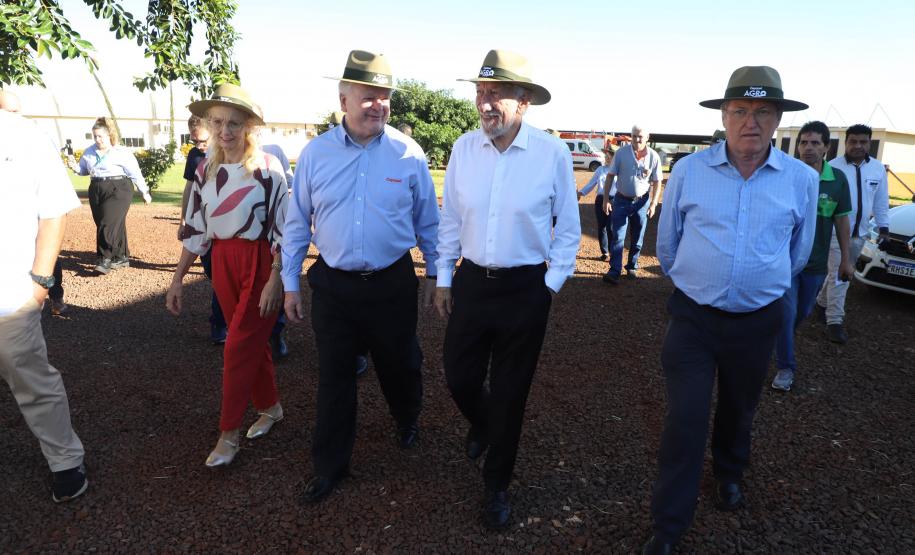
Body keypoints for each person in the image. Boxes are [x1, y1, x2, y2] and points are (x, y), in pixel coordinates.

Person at [644, 66, 818, 554]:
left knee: (740, 409)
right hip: (694, 320)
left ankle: (729, 472)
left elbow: (799, 254)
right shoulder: (689, 172)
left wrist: (758, 285)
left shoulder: (801, 180)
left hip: (758, 321)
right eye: (740, 110)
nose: (751, 122)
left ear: (778, 119)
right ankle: (668, 526)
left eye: (764, 112)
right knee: (686, 419)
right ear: (724, 115)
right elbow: (670, 247)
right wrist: (703, 284)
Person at [282, 50, 439, 503]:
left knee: (400, 362)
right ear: (343, 99)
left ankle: (406, 417)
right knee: (334, 377)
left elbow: (428, 221)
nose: (378, 105)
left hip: (392, 283)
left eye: (384, 97)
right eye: (368, 96)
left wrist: (435, 274)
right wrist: (290, 282)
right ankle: (330, 466)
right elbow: (297, 224)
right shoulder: (316, 154)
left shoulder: (408, 153)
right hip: (334, 285)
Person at [434, 49, 580, 529]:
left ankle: (496, 486)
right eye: (480, 92)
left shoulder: (552, 154)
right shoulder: (462, 149)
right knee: (458, 375)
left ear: (524, 103)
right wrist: (444, 277)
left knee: (512, 392)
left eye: (495, 93)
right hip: (474, 282)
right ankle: (483, 423)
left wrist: (549, 286)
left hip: (525, 289)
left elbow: (569, 230)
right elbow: (451, 218)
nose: (484, 102)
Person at [165, 83, 289, 467]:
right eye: (218, 122)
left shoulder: (269, 169)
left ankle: (228, 434)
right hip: (222, 261)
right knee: (253, 343)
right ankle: (270, 408)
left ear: (249, 127)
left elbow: (287, 229)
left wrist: (276, 278)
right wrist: (177, 278)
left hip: (259, 262)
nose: (225, 131)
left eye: (234, 123)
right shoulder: (206, 168)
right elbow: (198, 228)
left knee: (237, 344)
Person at [0, 95, 88, 502]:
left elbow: (53, 210)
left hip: (10, 292)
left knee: (30, 376)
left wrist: (40, 281)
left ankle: (65, 459)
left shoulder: (24, 133)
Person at [772, 121, 854, 391]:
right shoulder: (784, 176)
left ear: (827, 147)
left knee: (803, 311)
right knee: (787, 312)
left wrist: (845, 258)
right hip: (784, 260)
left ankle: (778, 337)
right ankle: (786, 367)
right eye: (804, 142)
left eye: (815, 143)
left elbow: (842, 222)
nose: (808, 148)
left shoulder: (837, 181)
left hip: (816, 263)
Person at [816, 124, 890, 344]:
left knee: (838, 272)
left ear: (869, 143)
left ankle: (821, 304)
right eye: (853, 141)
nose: (858, 146)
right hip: (835, 234)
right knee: (842, 276)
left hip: (861, 234)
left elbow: (880, 201)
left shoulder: (877, 169)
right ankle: (835, 321)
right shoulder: (832, 168)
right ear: (845, 143)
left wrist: (884, 228)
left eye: (863, 142)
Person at [0, 90, 70, 317]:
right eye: (7, 112)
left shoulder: (33, 139)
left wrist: (39, 288)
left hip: (15, 299)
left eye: (14, 112)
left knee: (51, 256)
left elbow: (55, 212)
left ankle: (55, 296)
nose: (11, 118)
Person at [67, 117, 151, 274]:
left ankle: (104, 259)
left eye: (101, 136)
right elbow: (84, 170)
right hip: (96, 188)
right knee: (106, 223)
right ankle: (120, 257)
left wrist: (144, 191)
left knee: (108, 223)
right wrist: (75, 167)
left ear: (109, 135)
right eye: (95, 136)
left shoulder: (121, 152)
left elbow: (135, 173)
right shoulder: (89, 151)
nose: (97, 140)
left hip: (119, 188)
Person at [601, 125, 663, 283]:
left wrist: (654, 203)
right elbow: (609, 176)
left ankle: (632, 266)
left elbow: (657, 181)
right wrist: (606, 199)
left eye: (640, 136)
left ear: (647, 137)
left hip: (642, 202)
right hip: (621, 200)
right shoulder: (621, 153)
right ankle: (614, 271)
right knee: (618, 237)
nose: (637, 139)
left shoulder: (654, 156)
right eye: (634, 136)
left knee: (638, 237)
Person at [577, 149, 618, 260]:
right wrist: (581, 192)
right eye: (606, 156)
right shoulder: (600, 169)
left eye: (610, 156)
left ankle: (612, 251)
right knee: (602, 227)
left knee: (611, 227)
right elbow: (592, 183)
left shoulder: (619, 170)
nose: (607, 158)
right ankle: (605, 252)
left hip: (614, 200)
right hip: (600, 199)